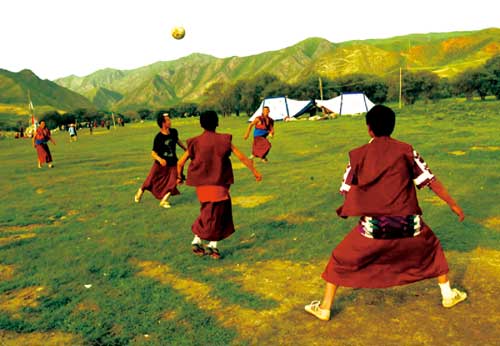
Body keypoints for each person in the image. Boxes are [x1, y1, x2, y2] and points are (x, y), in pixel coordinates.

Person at [305, 105, 466, 321]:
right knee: (433, 248)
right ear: (393, 126)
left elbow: (345, 190)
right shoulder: (407, 150)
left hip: (374, 227)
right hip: (410, 224)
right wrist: (453, 204)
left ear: (369, 128)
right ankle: (448, 295)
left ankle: (324, 308)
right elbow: (430, 180)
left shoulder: (357, 156)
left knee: (339, 259)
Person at [177, 110, 262, 259]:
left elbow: (180, 163)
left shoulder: (194, 142)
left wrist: (180, 177)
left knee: (208, 212)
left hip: (202, 186)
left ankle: (199, 241)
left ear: (201, 124)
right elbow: (241, 157)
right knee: (219, 214)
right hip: (219, 184)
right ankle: (210, 245)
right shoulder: (224, 140)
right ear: (217, 122)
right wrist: (254, 170)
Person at [134, 113, 186, 208]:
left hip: (173, 162)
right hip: (160, 164)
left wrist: (185, 149)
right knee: (149, 181)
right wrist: (160, 159)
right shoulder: (158, 137)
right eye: (168, 120)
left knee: (174, 181)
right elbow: (153, 153)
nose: (170, 121)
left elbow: (177, 141)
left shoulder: (174, 132)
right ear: (163, 123)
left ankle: (164, 201)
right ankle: (139, 192)